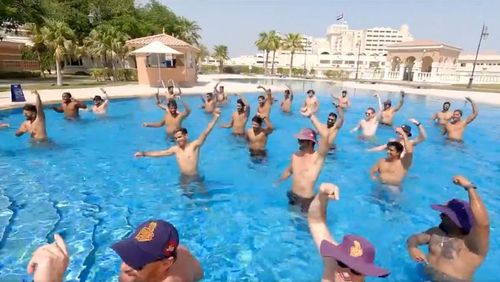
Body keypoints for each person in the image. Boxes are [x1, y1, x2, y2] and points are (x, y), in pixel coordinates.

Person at [27, 220, 204, 282]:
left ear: (166, 264)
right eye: (128, 254)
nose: (124, 267)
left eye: (138, 262)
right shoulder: (177, 251)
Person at [407, 175, 489, 282]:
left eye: (445, 214)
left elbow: (483, 224)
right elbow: (414, 238)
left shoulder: (471, 246)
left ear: (456, 221)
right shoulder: (436, 233)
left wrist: (469, 187)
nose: (440, 216)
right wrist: (412, 248)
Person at [308, 183, 390, 281]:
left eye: (355, 271)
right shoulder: (332, 267)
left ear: (365, 274)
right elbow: (316, 222)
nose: (346, 274)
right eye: (342, 263)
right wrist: (321, 196)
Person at [135, 109, 221, 176]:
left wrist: (215, 117)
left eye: (179, 137)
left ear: (186, 136)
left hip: (195, 176)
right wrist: (143, 153)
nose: (178, 140)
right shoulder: (175, 149)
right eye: (176, 138)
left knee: (204, 196)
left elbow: (206, 131)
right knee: (185, 197)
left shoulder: (195, 145)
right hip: (183, 178)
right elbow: (160, 153)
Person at [276, 108, 330, 212]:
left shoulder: (317, 157)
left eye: (301, 140)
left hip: (306, 200)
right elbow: (289, 171)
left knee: (304, 226)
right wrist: (277, 182)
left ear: (310, 142)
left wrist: (311, 116)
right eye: (298, 139)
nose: (298, 142)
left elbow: (326, 135)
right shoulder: (295, 155)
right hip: (292, 196)